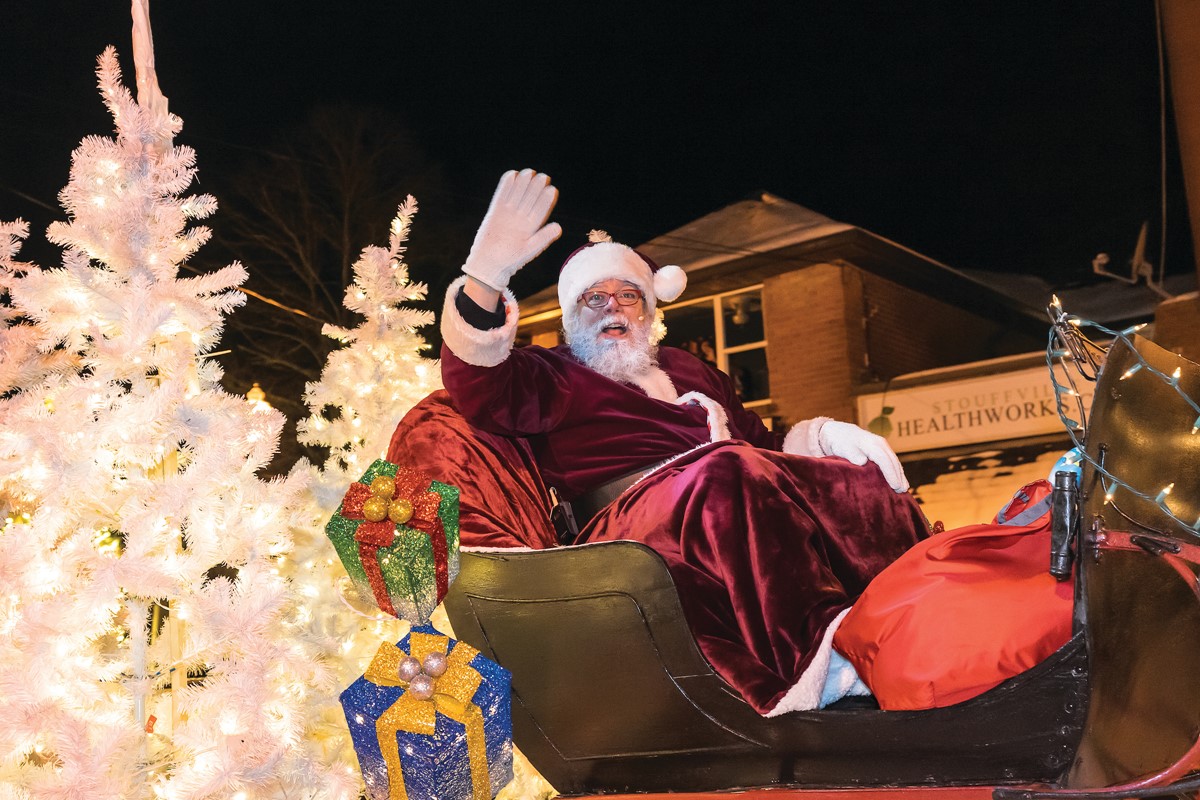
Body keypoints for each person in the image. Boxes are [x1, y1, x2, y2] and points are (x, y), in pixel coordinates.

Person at [440, 169, 929, 715]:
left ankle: (913, 632)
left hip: (722, 497)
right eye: (594, 300)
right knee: (729, 474)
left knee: (856, 480)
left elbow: (763, 444)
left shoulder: (688, 369)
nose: (615, 309)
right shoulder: (552, 373)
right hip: (629, 527)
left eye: (629, 297)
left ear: (650, 312)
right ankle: (816, 662)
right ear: (570, 316)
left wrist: (826, 437)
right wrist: (484, 279)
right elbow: (478, 383)